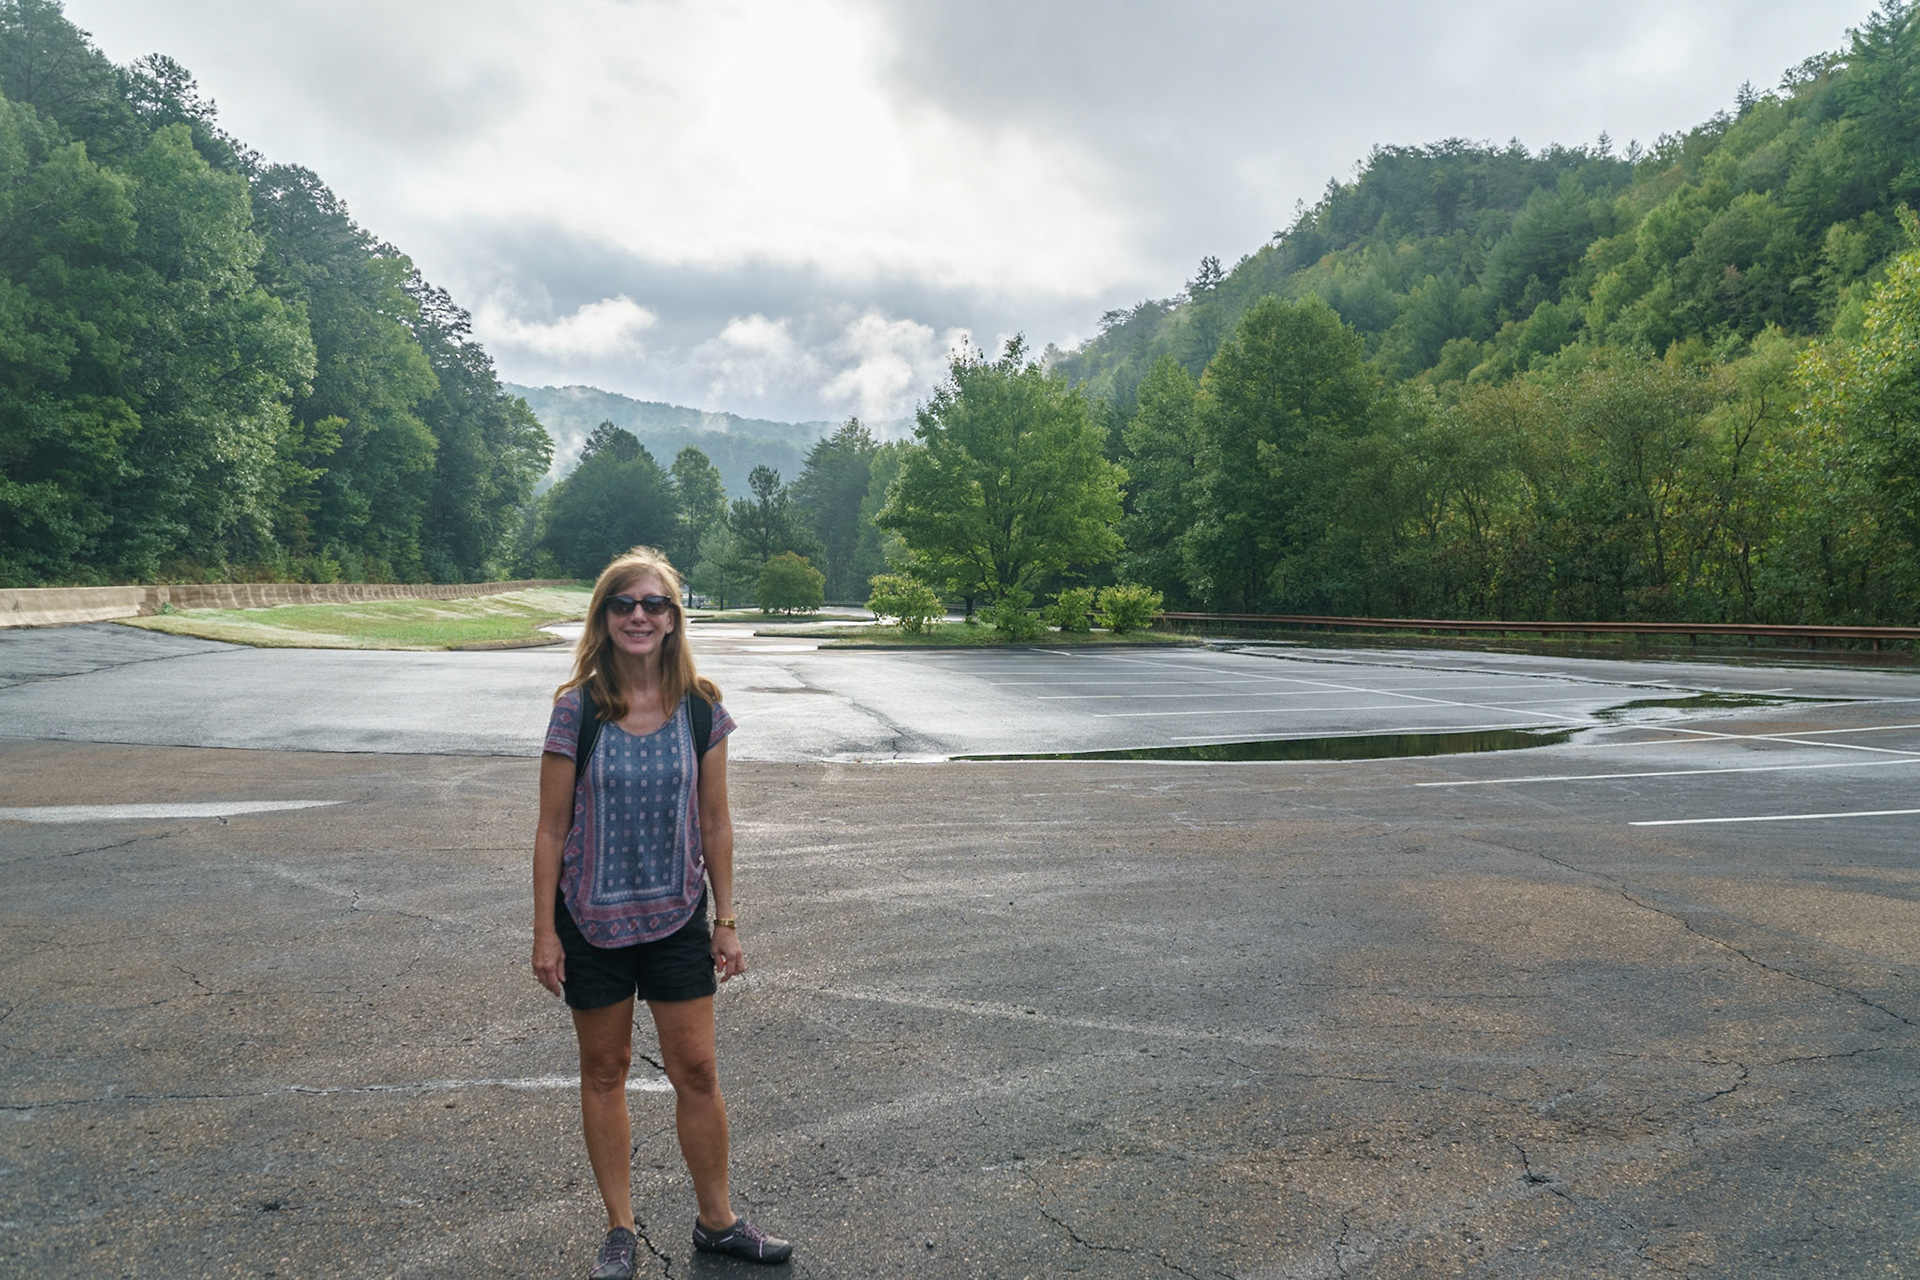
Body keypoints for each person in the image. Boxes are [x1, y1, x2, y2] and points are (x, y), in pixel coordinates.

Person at [533, 546, 792, 1276]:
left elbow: (716, 823)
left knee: (698, 1072)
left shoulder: (700, 709)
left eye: (654, 604)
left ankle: (719, 1221)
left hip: (678, 914)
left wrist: (727, 919)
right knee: (606, 1071)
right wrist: (543, 931)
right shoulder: (575, 710)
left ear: (675, 618)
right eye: (624, 604)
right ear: (604, 617)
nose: (639, 616)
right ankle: (620, 1230)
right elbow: (550, 830)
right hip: (589, 920)